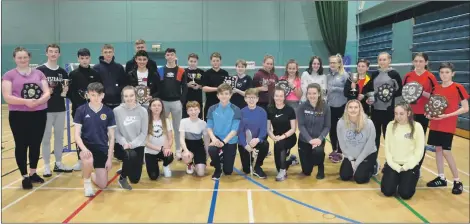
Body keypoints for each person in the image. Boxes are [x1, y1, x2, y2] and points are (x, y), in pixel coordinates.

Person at [2, 47, 51, 189]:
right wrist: (26, 102)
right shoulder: (9, 75)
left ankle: (33, 173)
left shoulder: (39, 73)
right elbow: (7, 97)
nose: (22, 60)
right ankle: (24, 176)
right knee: (21, 145)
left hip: (39, 113)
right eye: (19, 58)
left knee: (35, 143)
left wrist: (38, 101)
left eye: (25, 57)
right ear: (15, 59)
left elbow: (46, 92)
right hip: (19, 115)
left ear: (29, 58)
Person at [425, 62, 469, 195]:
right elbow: (432, 106)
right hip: (435, 123)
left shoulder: (458, 87)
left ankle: (457, 181)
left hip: (447, 124)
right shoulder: (436, 88)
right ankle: (441, 177)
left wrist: (447, 115)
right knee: (438, 149)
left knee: (446, 151)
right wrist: (429, 114)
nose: (444, 75)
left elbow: (465, 108)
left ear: (453, 74)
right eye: (442, 72)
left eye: (447, 72)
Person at [73, 82, 116, 197]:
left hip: (101, 147)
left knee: (103, 185)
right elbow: (77, 135)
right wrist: (83, 149)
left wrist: (110, 159)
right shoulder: (81, 110)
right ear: (88, 95)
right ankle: (87, 184)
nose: (95, 98)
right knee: (88, 159)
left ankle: (89, 173)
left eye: (98, 95)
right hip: (86, 145)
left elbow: (112, 138)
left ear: (103, 95)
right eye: (92, 95)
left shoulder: (108, 112)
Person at [37, 44, 72, 176]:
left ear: (59, 54)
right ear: (46, 53)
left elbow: (65, 91)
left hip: (60, 109)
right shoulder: (40, 71)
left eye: (55, 52)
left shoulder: (63, 72)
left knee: (59, 137)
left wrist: (65, 91)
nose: (53, 54)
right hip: (44, 110)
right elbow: (35, 90)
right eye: (50, 51)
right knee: (46, 138)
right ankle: (46, 166)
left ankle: (58, 163)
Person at [381, 102, 425, 200]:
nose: (398, 116)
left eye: (401, 114)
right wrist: (393, 165)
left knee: (405, 194)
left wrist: (407, 166)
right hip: (393, 164)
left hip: (409, 166)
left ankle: (406, 179)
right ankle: (396, 180)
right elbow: (387, 148)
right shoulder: (390, 125)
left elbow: (419, 151)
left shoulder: (417, 127)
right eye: (396, 114)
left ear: (408, 113)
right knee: (387, 191)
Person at [67, 48, 102, 171]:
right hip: (78, 110)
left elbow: (99, 91)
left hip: (95, 109)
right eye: (82, 58)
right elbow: (69, 93)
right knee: (79, 135)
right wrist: (80, 106)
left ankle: (95, 158)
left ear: (90, 58)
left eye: (86, 58)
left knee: (94, 134)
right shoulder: (73, 74)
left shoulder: (95, 73)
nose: (84, 60)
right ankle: (80, 160)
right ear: (78, 59)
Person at [113, 86, 148, 190]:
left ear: (136, 95)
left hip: (138, 145)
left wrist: (132, 144)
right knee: (130, 154)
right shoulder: (116, 111)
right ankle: (122, 178)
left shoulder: (143, 111)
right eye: (126, 96)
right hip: (122, 145)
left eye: (131, 95)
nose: (129, 98)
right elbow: (116, 132)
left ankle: (126, 165)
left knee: (135, 180)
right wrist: (124, 143)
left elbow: (143, 133)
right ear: (123, 97)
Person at [155, 48, 188, 160]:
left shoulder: (181, 71)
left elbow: (185, 87)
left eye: (172, 54)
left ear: (175, 56)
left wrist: (181, 101)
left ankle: (178, 150)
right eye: (168, 55)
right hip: (163, 103)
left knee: (178, 128)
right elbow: (157, 87)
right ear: (165, 56)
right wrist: (158, 101)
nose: (169, 56)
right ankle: (163, 149)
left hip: (176, 102)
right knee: (162, 128)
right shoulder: (160, 70)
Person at [337, 99, 378, 184]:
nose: (353, 110)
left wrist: (357, 162)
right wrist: (351, 160)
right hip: (351, 155)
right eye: (350, 107)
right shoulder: (341, 123)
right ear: (346, 109)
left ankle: (374, 166)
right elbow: (342, 144)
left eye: (356, 107)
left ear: (360, 109)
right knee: (345, 176)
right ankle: (357, 166)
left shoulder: (368, 123)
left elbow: (369, 145)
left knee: (360, 179)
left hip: (366, 154)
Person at [206, 83, 241, 180]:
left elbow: (234, 130)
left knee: (228, 171)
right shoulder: (212, 108)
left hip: (230, 140)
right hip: (217, 137)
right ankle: (217, 168)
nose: (224, 96)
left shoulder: (236, 109)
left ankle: (222, 157)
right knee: (212, 149)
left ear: (230, 95)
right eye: (221, 94)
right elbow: (209, 127)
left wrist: (224, 142)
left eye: (226, 94)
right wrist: (213, 139)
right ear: (217, 95)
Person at [369, 52, 403, 151]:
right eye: (380, 60)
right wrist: (369, 98)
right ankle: (374, 162)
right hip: (375, 110)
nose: (382, 62)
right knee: (375, 138)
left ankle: (390, 162)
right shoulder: (375, 74)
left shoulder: (394, 74)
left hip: (388, 110)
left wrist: (388, 96)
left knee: (388, 137)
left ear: (389, 60)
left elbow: (400, 90)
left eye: (384, 59)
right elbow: (371, 90)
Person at [297, 83, 330, 179]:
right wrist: (309, 140)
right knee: (306, 171)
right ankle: (310, 161)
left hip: (319, 141)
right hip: (304, 141)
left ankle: (320, 166)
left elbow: (327, 126)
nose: (312, 96)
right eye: (309, 93)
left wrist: (320, 139)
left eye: (314, 93)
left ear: (319, 94)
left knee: (318, 152)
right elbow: (301, 126)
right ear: (306, 94)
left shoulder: (325, 107)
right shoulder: (302, 107)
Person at [268, 87, 299, 181]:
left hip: (289, 137)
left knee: (281, 146)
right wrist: (273, 137)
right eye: (276, 96)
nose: (279, 98)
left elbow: (293, 129)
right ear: (273, 97)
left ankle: (283, 171)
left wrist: (282, 137)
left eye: (281, 96)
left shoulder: (290, 110)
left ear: (284, 97)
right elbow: (268, 128)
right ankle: (291, 160)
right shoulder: (270, 109)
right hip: (276, 138)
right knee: (278, 163)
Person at [237, 88, 269, 178]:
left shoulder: (262, 112)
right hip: (245, 144)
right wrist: (245, 145)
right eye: (249, 97)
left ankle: (257, 166)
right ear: (245, 99)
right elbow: (240, 132)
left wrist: (258, 139)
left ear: (257, 99)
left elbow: (263, 130)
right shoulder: (241, 112)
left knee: (265, 144)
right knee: (246, 170)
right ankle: (251, 158)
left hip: (256, 141)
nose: (251, 100)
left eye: (254, 97)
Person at [326, 54, 349, 163]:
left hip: (341, 106)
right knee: (332, 129)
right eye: (331, 62)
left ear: (339, 63)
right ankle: (334, 150)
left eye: (334, 62)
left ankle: (340, 151)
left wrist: (335, 88)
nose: (332, 64)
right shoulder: (328, 76)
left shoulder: (345, 75)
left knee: (341, 129)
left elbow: (347, 91)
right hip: (331, 106)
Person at [145, 98, 175, 180]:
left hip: (163, 150)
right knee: (153, 177)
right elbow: (145, 142)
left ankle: (165, 165)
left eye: (159, 105)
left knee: (169, 156)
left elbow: (170, 138)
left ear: (162, 108)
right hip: (150, 152)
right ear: (150, 107)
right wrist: (161, 149)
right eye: (154, 105)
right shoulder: (145, 121)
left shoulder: (166, 120)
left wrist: (167, 148)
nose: (156, 107)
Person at [93, 44, 128, 110]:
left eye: (110, 52)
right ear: (102, 53)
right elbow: (95, 86)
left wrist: (117, 90)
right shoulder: (96, 68)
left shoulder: (119, 67)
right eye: (105, 52)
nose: (108, 54)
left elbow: (124, 84)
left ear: (113, 53)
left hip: (118, 103)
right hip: (102, 104)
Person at [179, 101, 210, 176]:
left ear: (199, 110)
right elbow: (181, 138)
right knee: (186, 156)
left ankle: (197, 164)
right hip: (188, 146)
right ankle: (189, 164)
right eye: (191, 110)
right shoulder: (183, 121)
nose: (193, 112)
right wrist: (186, 150)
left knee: (201, 173)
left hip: (199, 146)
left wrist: (207, 153)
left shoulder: (203, 123)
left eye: (195, 109)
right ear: (187, 112)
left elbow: (206, 140)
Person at [202, 52, 229, 121]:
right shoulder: (207, 73)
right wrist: (218, 89)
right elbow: (204, 88)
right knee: (209, 124)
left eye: (217, 61)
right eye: (214, 61)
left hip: (222, 103)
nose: (215, 62)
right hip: (210, 103)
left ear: (220, 62)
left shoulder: (225, 73)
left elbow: (227, 88)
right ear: (211, 62)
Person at [183, 53, 205, 119]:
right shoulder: (183, 72)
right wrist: (187, 85)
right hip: (186, 99)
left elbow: (204, 86)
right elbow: (179, 85)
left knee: (198, 119)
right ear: (188, 61)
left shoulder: (201, 72)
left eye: (194, 61)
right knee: (186, 119)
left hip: (198, 99)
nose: (193, 63)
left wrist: (199, 86)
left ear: (197, 62)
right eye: (191, 61)